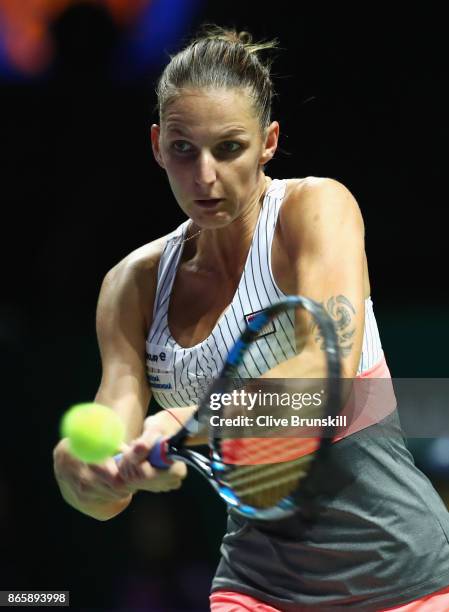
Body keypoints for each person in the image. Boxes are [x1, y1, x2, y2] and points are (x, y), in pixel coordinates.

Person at [53, 25, 449, 611]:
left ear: (269, 142)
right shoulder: (129, 285)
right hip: (258, 583)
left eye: (230, 148)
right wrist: (86, 471)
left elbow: (326, 373)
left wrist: (189, 419)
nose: (205, 176)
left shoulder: (316, 209)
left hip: (406, 577)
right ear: (158, 145)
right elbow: (112, 459)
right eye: (185, 149)